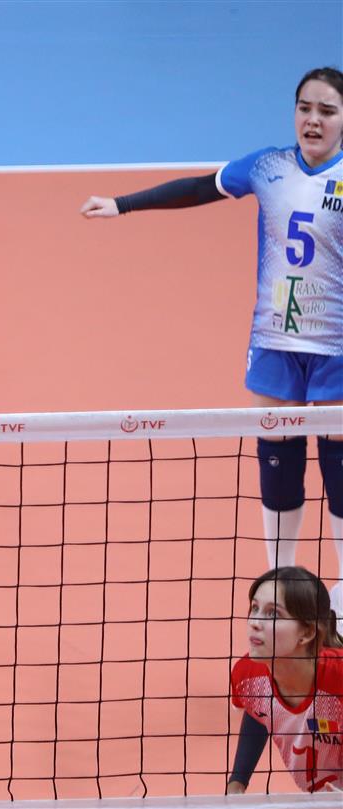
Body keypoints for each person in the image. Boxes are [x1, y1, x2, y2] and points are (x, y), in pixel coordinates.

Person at [81, 67, 343, 613]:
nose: (313, 120)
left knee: (339, 466)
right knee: (278, 458)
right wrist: (123, 203)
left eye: (327, 110)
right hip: (275, 342)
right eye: (305, 108)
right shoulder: (268, 166)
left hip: (337, 347)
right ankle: (280, 584)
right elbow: (202, 187)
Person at [227, 566, 343, 794]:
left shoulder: (338, 679)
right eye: (255, 608)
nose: (255, 622)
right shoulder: (248, 676)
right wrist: (237, 783)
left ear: (307, 632)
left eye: (273, 614)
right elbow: (259, 711)